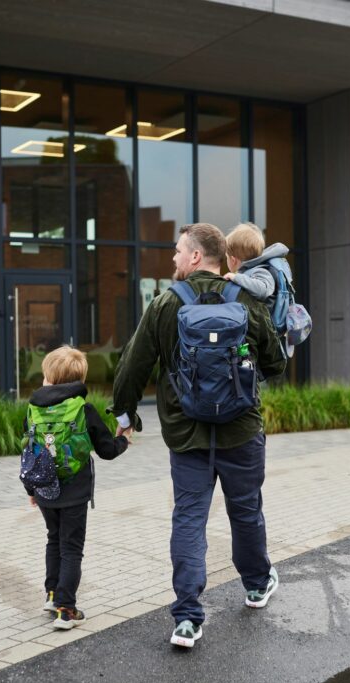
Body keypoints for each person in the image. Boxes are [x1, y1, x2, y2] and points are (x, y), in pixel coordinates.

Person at [112, 223, 287, 648]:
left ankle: (188, 618)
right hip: (242, 430)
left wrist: (124, 413)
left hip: (186, 433)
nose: (172, 258)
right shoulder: (245, 297)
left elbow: (134, 364)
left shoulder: (165, 304)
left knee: (189, 518)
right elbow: (275, 361)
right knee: (245, 511)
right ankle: (257, 585)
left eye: (177, 252)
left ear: (195, 257)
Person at [25, 346, 131, 630]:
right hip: (75, 492)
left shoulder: (34, 407)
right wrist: (124, 440)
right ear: (79, 379)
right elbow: (106, 450)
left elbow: (31, 450)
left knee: (53, 539)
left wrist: (32, 491)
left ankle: (51, 594)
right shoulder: (83, 409)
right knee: (71, 548)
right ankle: (65, 608)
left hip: (46, 490)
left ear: (49, 377)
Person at [223, 222, 291, 308]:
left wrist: (235, 277)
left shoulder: (260, 271)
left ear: (233, 260)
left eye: (227, 257)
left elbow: (263, 290)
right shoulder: (248, 273)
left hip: (264, 321)